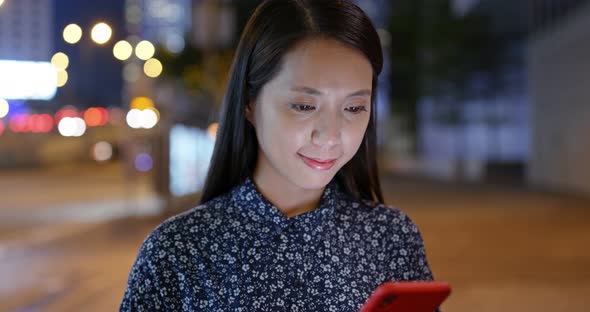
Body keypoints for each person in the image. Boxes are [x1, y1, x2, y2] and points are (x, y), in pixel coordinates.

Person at [120, 0, 437, 310]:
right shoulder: (177, 253)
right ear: (249, 103)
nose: (330, 135)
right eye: (304, 106)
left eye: (354, 108)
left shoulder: (391, 237)